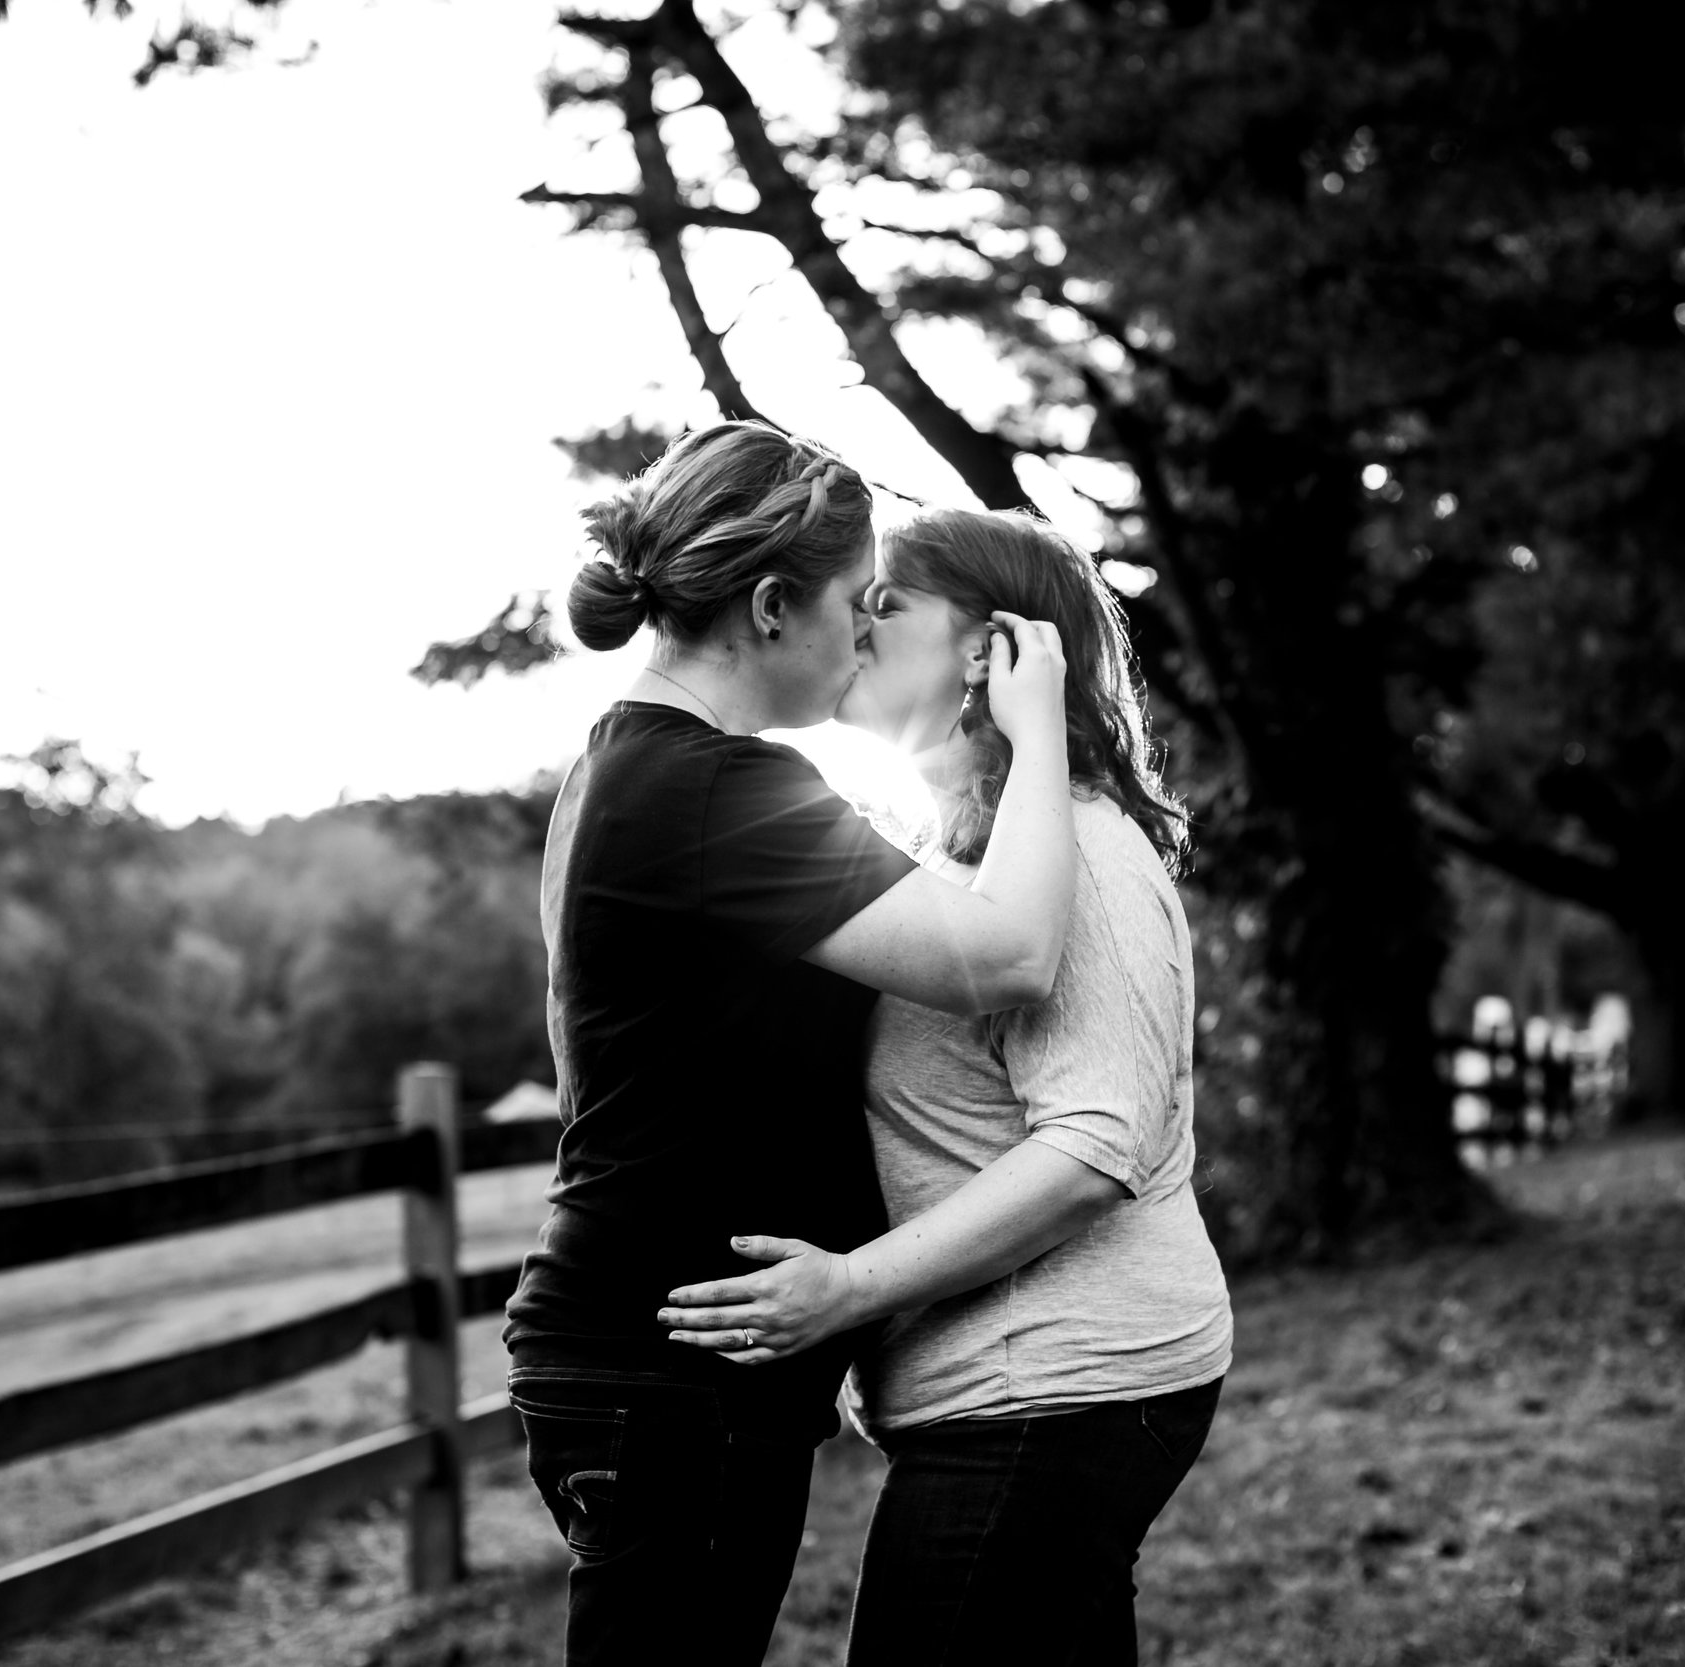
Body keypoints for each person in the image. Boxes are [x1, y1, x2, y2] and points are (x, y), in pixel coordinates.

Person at [501, 422, 1080, 1667]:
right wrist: (1042, 737)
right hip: (677, 1366)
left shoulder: (623, 759)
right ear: (770, 606)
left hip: (653, 1352)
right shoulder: (720, 788)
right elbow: (1012, 957)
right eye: (853, 604)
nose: (868, 636)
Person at [660, 506, 1233, 1667]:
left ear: (993, 647)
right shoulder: (964, 863)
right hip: (1020, 1390)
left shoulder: (1083, 852)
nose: (852, 626)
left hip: (1062, 1388)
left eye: (887, 604)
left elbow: (1094, 1146)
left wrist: (848, 1288)